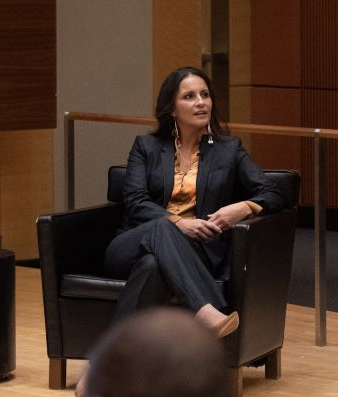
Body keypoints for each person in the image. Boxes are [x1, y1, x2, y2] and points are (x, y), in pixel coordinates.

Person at [75, 66, 283, 396]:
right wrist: (178, 222)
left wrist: (242, 208)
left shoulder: (229, 150)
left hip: (192, 255)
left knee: (153, 266)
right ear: (172, 108)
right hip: (129, 244)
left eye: (205, 95)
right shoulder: (145, 146)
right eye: (189, 96)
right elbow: (136, 201)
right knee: (161, 226)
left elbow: (273, 192)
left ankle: (99, 369)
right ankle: (206, 310)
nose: (201, 102)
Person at [84, 307, 229, 397]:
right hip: (121, 259)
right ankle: (203, 305)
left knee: (150, 266)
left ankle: (102, 374)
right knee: (165, 257)